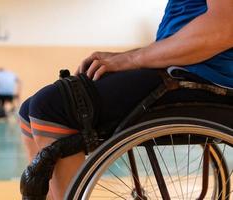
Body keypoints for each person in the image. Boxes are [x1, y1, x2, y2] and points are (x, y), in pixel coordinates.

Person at [19, 0, 233, 199]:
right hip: (188, 70)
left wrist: (132, 58)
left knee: (52, 108)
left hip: (208, 78)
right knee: (28, 110)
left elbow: (224, 28)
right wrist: (130, 56)